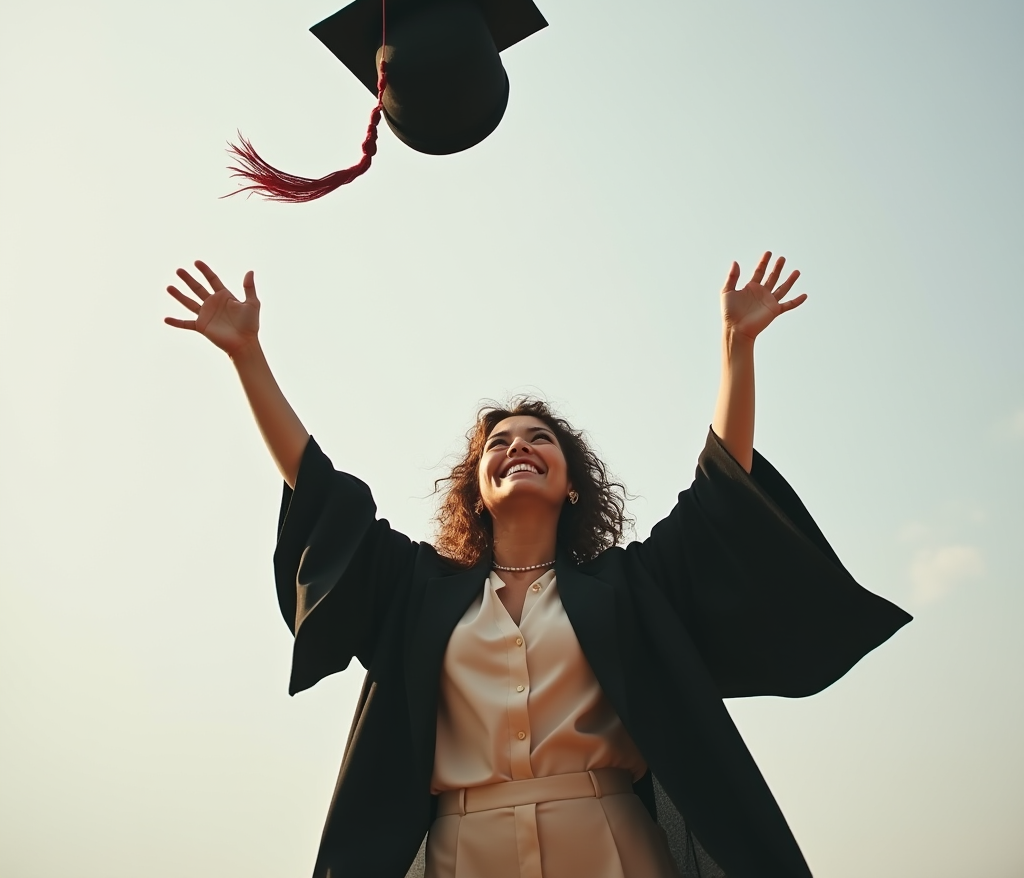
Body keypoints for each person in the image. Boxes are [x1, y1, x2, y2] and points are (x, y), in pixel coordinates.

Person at [164, 253, 910, 878]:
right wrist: (247, 357)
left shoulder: (628, 587)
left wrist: (735, 350)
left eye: (538, 439)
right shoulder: (419, 592)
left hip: (611, 841)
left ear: (570, 481)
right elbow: (319, 491)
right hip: (466, 850)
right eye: (499, 444)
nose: (518, 445)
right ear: (478, 493)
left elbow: (721, 495)